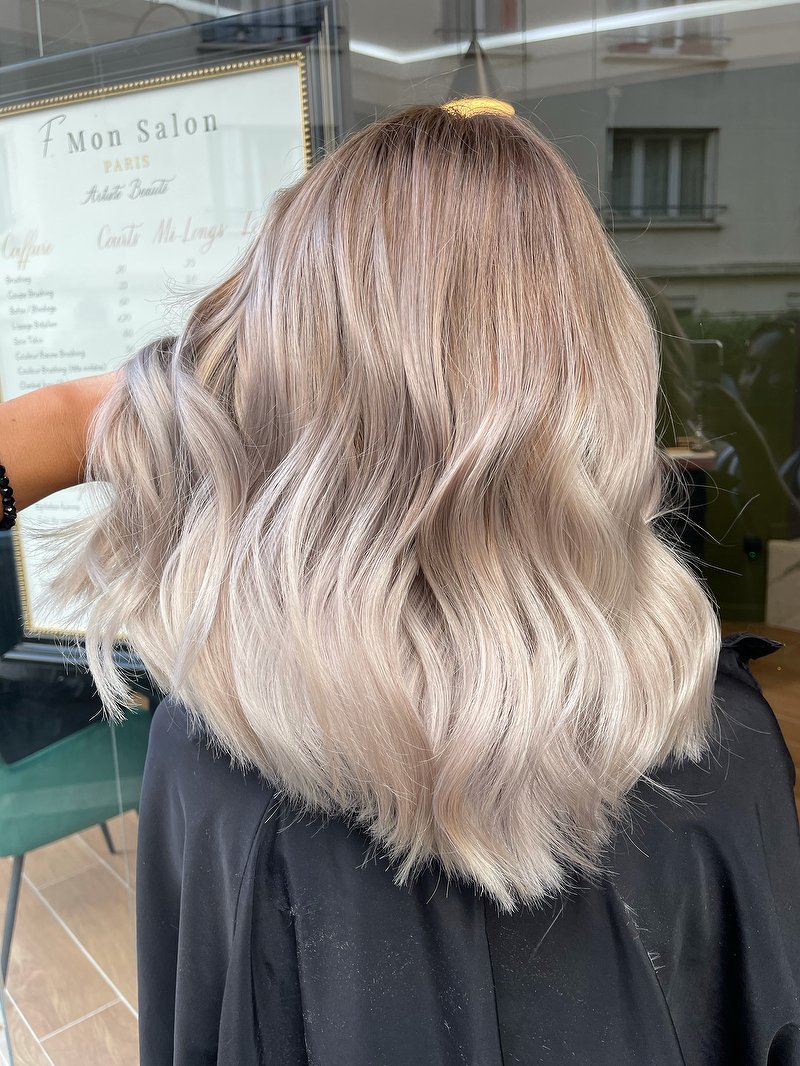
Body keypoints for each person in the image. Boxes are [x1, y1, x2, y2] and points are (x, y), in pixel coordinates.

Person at [1, 100, 799, 1065]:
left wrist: (74, 418)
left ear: (287, 377)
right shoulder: (726, 745)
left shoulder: (214, 765)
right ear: (598, 373)